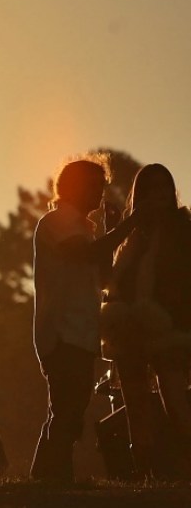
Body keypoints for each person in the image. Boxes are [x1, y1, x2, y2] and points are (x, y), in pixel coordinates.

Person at [31, 156, 143, 483]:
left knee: (68, 409)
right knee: (67, 411)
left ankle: (46, 476)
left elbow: (103, 276)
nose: (101, 193)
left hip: (78, 333)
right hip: (62, 332)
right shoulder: (58, 221)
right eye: (95, 186)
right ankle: (55, 477)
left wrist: (111, 232)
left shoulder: (84, 228)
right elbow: (86, 255)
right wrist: (129, 224)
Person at [102, 164, 191, 478]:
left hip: (170, 328)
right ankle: (142, 473)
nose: (158, 196)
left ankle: (182, 467)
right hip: (129, 330)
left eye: (163, 188)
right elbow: (111, 279)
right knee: (135, 406)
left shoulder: (183, 229)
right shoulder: (131, 234)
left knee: (175, 401)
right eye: (150, 190)